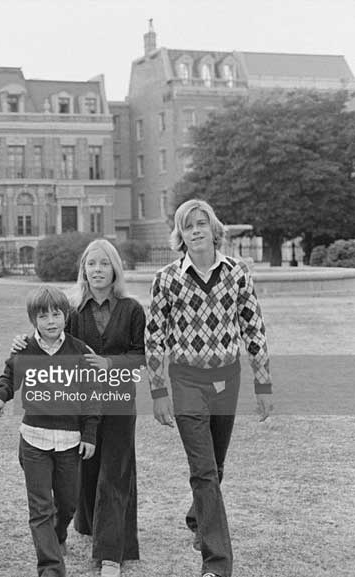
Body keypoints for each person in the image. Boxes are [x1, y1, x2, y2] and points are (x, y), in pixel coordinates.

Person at [146, 199, 273, 577]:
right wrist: (158, 391)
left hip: (227, 380)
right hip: (186, 381)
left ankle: (197, 516)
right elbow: (154, 338)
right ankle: (217, 564)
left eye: (202, 223)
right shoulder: (167, 278)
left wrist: (263, 383)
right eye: (188, 226)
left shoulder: (237, 273)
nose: (196, 230)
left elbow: (254, 328)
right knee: (202, 470)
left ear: (214, 228)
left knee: (215, 466)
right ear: (180, 235)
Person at [9, 240, 143, 577]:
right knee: (86, 467)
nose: (97, 270)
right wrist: (23, 342)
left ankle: (112, 553)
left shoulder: (132, 309)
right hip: (76, 404)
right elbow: (49, 338)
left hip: (117, 400)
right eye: (91, 264)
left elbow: (141, 356)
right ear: (83, 269)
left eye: (104, 264)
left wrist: (110, 363)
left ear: (115, 269)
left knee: (116, 471)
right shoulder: (71, 310)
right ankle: (81, 525)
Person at [0, 284, 98, 577]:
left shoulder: (80, 351)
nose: (50, 321)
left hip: (70, 443)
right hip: (34, 441)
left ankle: (59, 534)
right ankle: (50, 568)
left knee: (68, 503)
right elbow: (8, 378)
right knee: (40, 509)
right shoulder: (26, 349)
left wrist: (89, 435)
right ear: (33, 319)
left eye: (56, 314)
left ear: (66, 316)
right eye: (43, 316)